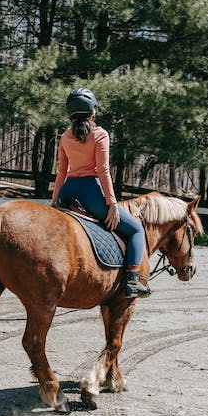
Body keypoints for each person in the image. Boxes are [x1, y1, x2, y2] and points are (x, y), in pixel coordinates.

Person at [50, 88, 150, 298]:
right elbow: (103, 170)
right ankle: (132, 280)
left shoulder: (66, 136)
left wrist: (54, 201)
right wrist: (112, 204)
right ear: (92, 112)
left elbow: (61, 172)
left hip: (67, 189)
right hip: (90, 191)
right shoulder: (100, 134)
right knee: (136, 229)